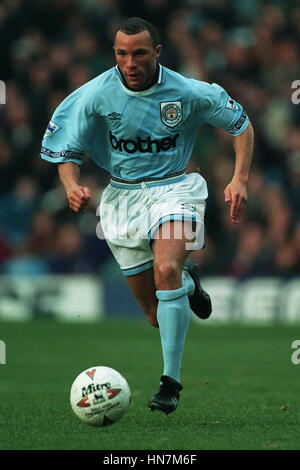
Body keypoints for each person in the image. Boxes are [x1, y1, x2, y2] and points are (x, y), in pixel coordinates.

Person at [40, 17, 254, 414]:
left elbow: (241, 125)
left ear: (156, 53)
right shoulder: (94, 96)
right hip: (121, 198)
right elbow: (67, 152)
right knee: (157, 314)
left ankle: (170, 383)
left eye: (139, 53)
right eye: (122, 54)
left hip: (176, 187)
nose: (130, 62)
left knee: (166, 268)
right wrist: (71, 187)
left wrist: (239, 178)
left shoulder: (187, 90)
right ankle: (188, 283)